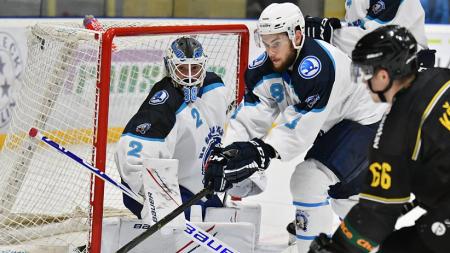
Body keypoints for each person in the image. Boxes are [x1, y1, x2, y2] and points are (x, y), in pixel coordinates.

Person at [203, 2, 386, 252]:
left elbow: (299, 129)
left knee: (309, 180)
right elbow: (249, 118)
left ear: (297, 36)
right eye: (265, 43)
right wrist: (228, 154)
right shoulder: (262, 70)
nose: (270, 51)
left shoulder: (318, 65)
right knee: (344, 198)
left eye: (276, 43)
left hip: (365, 121)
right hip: (334, 128)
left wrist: (260, 151)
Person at [308, 25, 450, 253]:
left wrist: (339, 247)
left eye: (365, 73)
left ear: (384, 75)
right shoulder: (441, 77)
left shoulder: (398, 126)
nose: (363, 82)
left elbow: (377, 211)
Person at [115, 36, 228, 220]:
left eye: (195, 68)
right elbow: (131, 155)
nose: (190, 75)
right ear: (170, 68)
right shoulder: (163, 103)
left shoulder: (214, 87)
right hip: (169, 190)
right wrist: (157, 202)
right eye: (182, 69)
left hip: (196, 185)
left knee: (217, 217)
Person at [303, 0, 435, 67]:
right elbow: (360, 27)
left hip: (406, 72)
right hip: (378, 72)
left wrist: (332, 34)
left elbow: (382, 43)